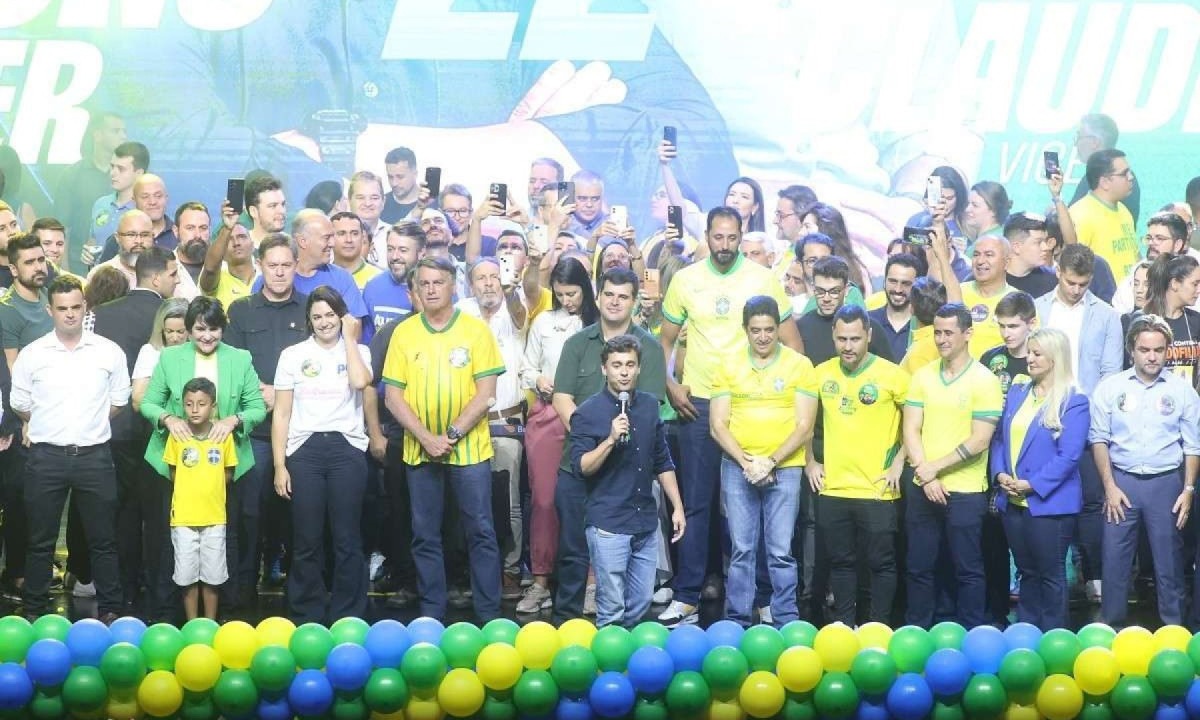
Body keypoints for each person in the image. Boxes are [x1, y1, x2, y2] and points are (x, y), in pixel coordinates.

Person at [657, 206, 800, 626]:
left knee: (757, 505)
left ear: (741, 236)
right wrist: (671, 385)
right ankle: (687, 595)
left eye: (731, 238)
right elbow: (663, 343)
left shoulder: (762, 279)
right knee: (697, 503)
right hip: (698, 403)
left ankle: (764, 598)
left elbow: (792, 345)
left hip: (753, 404)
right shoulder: (686, 280)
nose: (724, 246)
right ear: (707, 235)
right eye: (717, 237)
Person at [383, 256, 504, 621]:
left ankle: (489, 614)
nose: (432, 289)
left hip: (469, 448)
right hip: (419, 450)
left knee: (480, 530)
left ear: (454, 286)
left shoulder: (475, 331)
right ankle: (431, 614)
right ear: (416, 289)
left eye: (439, 282)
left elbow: (485, 394)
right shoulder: (403, 333)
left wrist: (449, 435)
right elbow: (392, 396)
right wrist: (425, 438)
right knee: (424, 533)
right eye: (425, 284)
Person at [12, 275, 131, 624]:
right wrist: (53, 422)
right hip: (46, 455)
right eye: (62, 308)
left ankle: (111, 608)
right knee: (40, 539)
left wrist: (87, 421)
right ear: (50, 310)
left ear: (86, 308)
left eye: (76, 307)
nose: (69, 315)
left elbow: (120, 400)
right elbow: (20, 402)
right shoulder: (33, 354)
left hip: (94, 455)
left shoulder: (108, 351)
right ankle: (34, 610)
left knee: (103, 538)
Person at [552, 268, 668, 621]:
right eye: (609, 294)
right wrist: (592, 437)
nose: (615, 302)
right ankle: (567, 632)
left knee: (629, 564)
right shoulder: (576, 343)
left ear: (634, 302)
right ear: (598, 297)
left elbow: (646, 408)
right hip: (581, 462)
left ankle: (622, 639)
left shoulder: (647, 348)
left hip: (626, 472)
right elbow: (561, 397)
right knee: (572, 551)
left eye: (624, 296)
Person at [140, 297, 267, 609]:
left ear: (222, 329)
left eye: (213, 329)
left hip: (226, 464)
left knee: (226, 538)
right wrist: (168, 419)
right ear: (189, 329)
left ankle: (226, 612)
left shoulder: (240, 359)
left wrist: (234, 419)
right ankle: (168, 613)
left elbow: (257, 408)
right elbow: (148, 403)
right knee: (172, 539)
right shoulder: (171, 358)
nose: (207, 336)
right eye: (199, 329)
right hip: (176, 463)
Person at [709, 296, 817, 626]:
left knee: (781, 551)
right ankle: (738, 619)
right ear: (745, 330)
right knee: (741, 549)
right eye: (755, 330)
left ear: (778, 329)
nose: (763, 337)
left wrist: (769, 461)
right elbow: (717, 425)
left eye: (769, 330)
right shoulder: (727, 365)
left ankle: (785, 618)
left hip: (784, 468)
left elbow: (804, 426)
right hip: (738, 466)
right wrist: (747, 462)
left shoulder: (800, 365)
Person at [1091, 314, 1199, 627]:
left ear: (1167, 350)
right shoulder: (1110, 388)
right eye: (1144, 349)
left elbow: (1193, 446)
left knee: (1169, 563)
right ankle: (1110, 632)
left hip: (1165, 484)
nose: (1152, 356)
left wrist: (1188, 490)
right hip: (1121, 482)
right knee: (1114, 561)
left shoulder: (1182, 391)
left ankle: (1174, 633)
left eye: (1158, 350)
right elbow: (1099, 439)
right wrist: (1109, 486)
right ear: (1131, 350)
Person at [272, 287, 372, 623]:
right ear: (309, 321)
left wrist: (350, 339)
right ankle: (306, 614)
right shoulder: (292, 355)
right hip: (304, 451)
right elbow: (282, 413)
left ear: (342, 316)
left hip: (346, 448)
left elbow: (360, 382)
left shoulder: (360, 352)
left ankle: (349, 614)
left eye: (331, 315)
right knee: (306, 538)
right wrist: (279, 465)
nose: (324, 322)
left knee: (347, 538)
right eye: (317, 316)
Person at [570, 335, 685, 627]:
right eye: (617, 365)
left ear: (638, 368)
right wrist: (610, 439)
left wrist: (677, 507)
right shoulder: (588, 412)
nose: (623, 371)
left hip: (644, 521)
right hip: (608, 524)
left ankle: (630, 666)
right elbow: (582, 466)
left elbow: (662, 461)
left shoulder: (648, 406)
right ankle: (608, 670)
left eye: (630, 365)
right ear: (604, 369)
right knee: (610, 610)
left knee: (642, 602)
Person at [901, 303, 1003, 628]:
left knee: (968, 569)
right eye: (937, 333)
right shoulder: (922, 376)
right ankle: (919, 633)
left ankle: (972, 634)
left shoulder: (984, 380)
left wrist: (935, 469)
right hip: (923, 487)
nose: (942, 340)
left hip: (966, 490)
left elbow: (979, 440)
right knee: (919, 566)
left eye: (948, 333)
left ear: (967, 334)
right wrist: (925, 474)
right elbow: (910, 429)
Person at [223, 235, 311, 607]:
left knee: (298, 517)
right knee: (250, 514)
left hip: (301, 430)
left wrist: (284, 392)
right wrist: (266, 394)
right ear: (259, 264)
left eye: (286, 265)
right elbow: (230, 366)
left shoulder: (311, 309)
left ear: (295, 265)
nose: (278, 272)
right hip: (255, 431)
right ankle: (242, 596)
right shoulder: (242, 311)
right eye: (272, 265)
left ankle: (298, 598)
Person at [812, 304, 910, 626]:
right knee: (841, 562)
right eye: (842, 339)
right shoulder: (821, 374)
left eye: (855, 338)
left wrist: (899, 462)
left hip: (877, 488)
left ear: (868, 335)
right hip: (834, 487)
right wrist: (810, 462)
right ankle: (845, 626)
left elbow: (918, 422)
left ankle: (878, 627)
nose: (848, 346)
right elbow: (798, 422)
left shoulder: (893, 376)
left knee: (881, 564)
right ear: (833, 336)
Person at [989, 328, 1090, 631]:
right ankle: (1027, 634)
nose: (1028, 359)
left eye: (1036, 354)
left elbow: (1069, 457)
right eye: (1029, 352)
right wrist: (1000, 473)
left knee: (1050, 574)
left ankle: (1053, 639)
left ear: (1054, 359)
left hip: (1049, 504)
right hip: (1014, 500)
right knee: (1027, 572)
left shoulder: (1074, 401)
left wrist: (1033, 485)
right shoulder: (1018, 392)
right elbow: (998, 441)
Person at [517, 256, 598, 613]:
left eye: (573, 293)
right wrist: (538, 380)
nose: (567, 300)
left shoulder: (597, 324)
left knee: (591, 501)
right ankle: (540, 581)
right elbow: (525, 367)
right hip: (548, 415)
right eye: (561, 294)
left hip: (590, 413)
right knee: (545, 500)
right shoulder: (543, 323)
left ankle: (594, 582)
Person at [164, 378, 237, 621]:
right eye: (189, 404)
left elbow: (228, 473)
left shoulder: (222, 437)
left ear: (213, 406)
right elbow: (174, 473)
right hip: (183, 519)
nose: (195, 409)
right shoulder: (177, 436)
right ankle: (192, 624)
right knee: (186, 577)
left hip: (215, 518)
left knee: (212, 577)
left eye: (201, 404)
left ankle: (210, 624)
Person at [1069, 148, 1139, 283]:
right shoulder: (1081, 214)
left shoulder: (1124, 210)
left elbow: (1134, 255)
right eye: (1124, 173)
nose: (1131, 177)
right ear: (1105, 182)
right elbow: (1073, 268)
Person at [1069, 113, 1141, 222]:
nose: (1076, 144)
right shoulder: (1128, 176)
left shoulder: (1096, 178)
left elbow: (1072, 223)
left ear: (1095, 142)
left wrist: (1057, 208)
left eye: (1079, 137)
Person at [88, 141, 149, 266]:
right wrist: (87, 255)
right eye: (112, 167)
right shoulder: (101, 204)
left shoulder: (145, 211)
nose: (113, 173)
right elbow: (93, 241)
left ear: (139, 173)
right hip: (98, 280)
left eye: (121, 169)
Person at [961, 234, 1015, 359]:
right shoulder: (957, 292)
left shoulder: (1019, 301)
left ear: (1006, 262)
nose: (980, 261)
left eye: (989, 255)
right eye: (976, 254)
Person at [868, 253, 920, 363]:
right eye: (893, 281)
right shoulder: (867, 321)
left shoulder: (923, 326)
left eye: (906, 284)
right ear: (884, 282)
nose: (898, 289)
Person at [1004, 213, 1057, 299]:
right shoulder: (991, 279)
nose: (1045, 247)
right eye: (1038, 242)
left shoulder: (1053, 282)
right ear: (1017, 247)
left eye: (1045, 241)